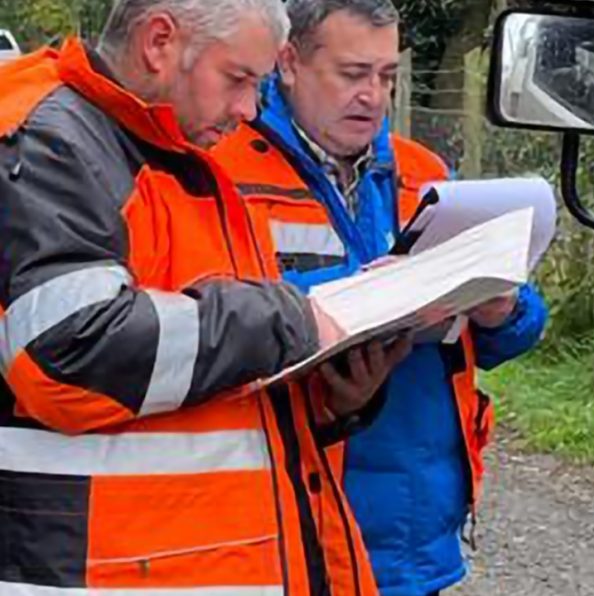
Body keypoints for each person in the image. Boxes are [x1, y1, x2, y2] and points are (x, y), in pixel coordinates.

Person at [0, 1, 395, 593]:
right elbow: (65, 353)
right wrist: (289, 318)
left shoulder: (172, 154)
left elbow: (205, 380)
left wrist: (329, 403)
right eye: (237, 79)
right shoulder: (53, 141)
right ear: (159, 41)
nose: (249, 109)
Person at [213, 1, 549, 594]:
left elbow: (505, 338)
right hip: (285, 531)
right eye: (352, 74)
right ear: (288, 63)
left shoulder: (425, 175)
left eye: (387, 76)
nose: (373, 95)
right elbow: (209, 326)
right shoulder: (223, 171)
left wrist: (504, 308)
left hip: (416, 539)